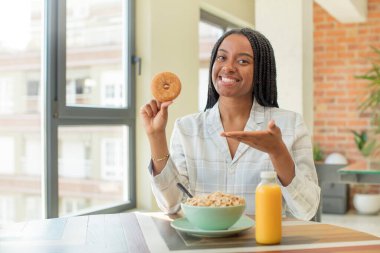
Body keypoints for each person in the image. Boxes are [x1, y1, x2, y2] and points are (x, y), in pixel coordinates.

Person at [140, 28, 320, 221]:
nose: (228, 67)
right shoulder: (187, 128)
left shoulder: (291, 124)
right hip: (204, 245)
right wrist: (156, 136)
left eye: (243, 61)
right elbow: (172, 205)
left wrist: (278, 153)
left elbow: (307, 209)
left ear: (261, 71)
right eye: (222, 58)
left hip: (263, 244)